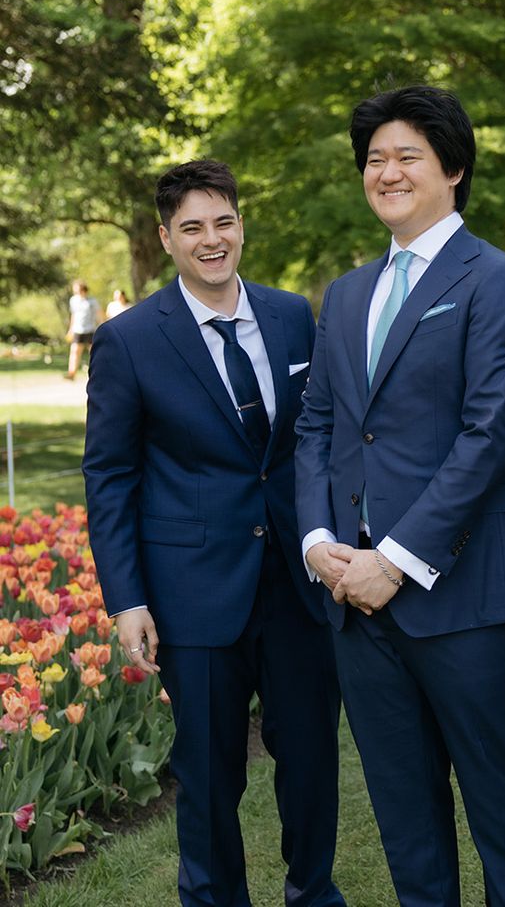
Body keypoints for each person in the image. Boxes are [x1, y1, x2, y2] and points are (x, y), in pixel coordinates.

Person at [295, 85, 505, 907]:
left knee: (503, 818)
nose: (388, 171)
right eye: (375, 159)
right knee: (406, 822)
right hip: (356, 608)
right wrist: (317, 544)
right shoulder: (346, 294)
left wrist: (395, 562)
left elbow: (490, 434)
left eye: (408, 155)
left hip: (469, 600)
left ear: (454, 169)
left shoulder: (500, 282)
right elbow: (319, 429)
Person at [82, 160, 346, 907]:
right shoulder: (129, 340)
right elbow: (109, 475)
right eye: (192, 227)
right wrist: (126, 597)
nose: (212, 239)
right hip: (192, 592)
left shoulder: (294, 314)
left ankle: (313, 893)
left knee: (311, 761)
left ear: (241, 224)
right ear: (167, 238)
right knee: (207, 772)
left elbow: (312, 441)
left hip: (298, 584)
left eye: (223, 221)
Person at [65, 279, 101, 379]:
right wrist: (70, 329)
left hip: (90, 330)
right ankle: (71, 373)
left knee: (94, 353)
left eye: (76, 288)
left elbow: (99, 315)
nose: (75, 291)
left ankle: (98, 373)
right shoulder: (73, 300)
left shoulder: (92, 301)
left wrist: (102, 326)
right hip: (78, 330)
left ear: (82, 288)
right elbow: (73, 315)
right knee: (74, 351)